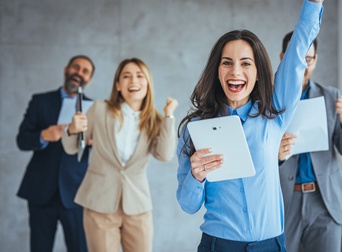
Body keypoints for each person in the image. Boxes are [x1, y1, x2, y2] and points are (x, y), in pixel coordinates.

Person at [176, 1, 323, 251]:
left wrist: (314, 3)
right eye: (227, 63)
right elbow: (187, 205)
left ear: (257, 72)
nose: (236, 71)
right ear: (217, 71)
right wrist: (196, 176)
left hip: (271, 244)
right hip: (218, 245)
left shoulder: (274, 114)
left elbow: (298, 50)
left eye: (245, 63)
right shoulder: (195, 128)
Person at [62, 57, 178, 251]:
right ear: (118, 85)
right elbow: (72, 147)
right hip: (99, 203)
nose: (133, 81)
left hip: (138, 206)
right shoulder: (99, 109)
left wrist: (169, 116)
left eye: (139, 76)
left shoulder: (156, 120)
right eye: (126, 76)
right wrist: (72, 129)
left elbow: (165, 155)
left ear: (148, 83)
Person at [277, 33, 342, 252]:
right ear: (282, 57)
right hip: (284, 199)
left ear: (315, 61)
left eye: (308, 59)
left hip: (325, 201)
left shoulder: (330, 96)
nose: (302, 64)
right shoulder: (267, 100)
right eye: (296, 57)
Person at [16, 55, 95, 252]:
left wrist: (95, 142)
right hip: (41, 190)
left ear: (89, 80)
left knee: (80, 248)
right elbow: (21, 140)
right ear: (66, 69)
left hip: (76, 192)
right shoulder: (40, 101)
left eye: (85, 71)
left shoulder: (94, 108)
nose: (79, 73)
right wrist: (44, 135)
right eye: (76, 67)